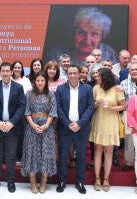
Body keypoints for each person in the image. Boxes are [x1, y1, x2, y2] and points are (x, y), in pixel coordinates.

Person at [0, 62, 26, 193]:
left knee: (11, 156)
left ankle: (10, 181)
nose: (5, 73)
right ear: (1, 72)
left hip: (12, 127)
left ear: (11, 72)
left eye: (7, 71)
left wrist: (11, 122)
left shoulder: (18, 87)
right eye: (3, 71)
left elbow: (22, 106)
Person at [55, 65, 94, 194]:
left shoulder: (87, 89)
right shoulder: (60, 89)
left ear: (79, 75)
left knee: (81, 156)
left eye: (74, 73)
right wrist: (68, 123)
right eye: (70, 73)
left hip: (81, 128)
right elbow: (58, 108)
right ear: (67, 75)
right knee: (63, 156)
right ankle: (62, 180)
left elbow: (90, 108)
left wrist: (79, 124)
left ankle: (80, 181)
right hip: (65, 128)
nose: (72, 75)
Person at [89, 68, 125, 192]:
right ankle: (97, 178)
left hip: (111, 122)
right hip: (98, 120)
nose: (96, 77)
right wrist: (96, 104)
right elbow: (90, 106)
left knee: (109, 151)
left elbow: (123, 106)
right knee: (97, 150)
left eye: (98, 76)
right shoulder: (95, 88)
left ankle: (106, 178)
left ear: (105, 77)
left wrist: (110, 107)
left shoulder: (117, 89)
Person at [21, 72, 57, 194]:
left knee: (45, 154)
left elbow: (53, 111)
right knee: (32, 154)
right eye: (38, 80)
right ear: (34, 82)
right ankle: (32, 182)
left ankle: (43, 182)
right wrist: (32, 124)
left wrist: (46, 125)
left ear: (46, 81)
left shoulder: (51, 94)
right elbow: (26, 111)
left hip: (47, 129)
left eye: (42, 80)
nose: (40, 82)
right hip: (31, 128)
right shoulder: (29, 94)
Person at [119, 63, 137, 172]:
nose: (134, 71)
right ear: (129, 72)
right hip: (128, 113)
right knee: (129, 139)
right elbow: (121, 100)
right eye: (132, 70)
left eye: (136, 69)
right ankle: (128, 162)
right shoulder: (123, 83)